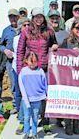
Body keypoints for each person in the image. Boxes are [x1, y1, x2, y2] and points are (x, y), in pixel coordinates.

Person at [17, 7, 58, 135]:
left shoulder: (49, 31)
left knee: (44, 97)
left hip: (43, 69)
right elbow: (20, 51)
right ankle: (23, 123)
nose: (38, 19)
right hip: (29, 69)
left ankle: (45, 124)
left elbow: (53, 44)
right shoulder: (25, 32)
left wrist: (55, 46)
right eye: (36, 17)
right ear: (32, 18)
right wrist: (20, 70)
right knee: (26, 97)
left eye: (40, 16)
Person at [19, 52, 48, 139]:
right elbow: (21, 86)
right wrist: (25, 99)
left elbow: (44, 84)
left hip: (37, 99)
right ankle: (27, 134)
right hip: (26, 99)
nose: (33, 63)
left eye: (35, 61)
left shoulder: (40, 71)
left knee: (35, 117)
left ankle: (35, 134)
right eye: (31, 61)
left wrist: (46, 95)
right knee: (27, 118)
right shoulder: (23, 71)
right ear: (26, 61)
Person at [0, 8, 20, 114]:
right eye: (10, 17)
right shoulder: (6, 31)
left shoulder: (24, 29)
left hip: (22, 61)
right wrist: (5, 50)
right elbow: (0, 45)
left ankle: (25, 106)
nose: (13, 19)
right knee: (13, 84)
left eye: (14, 16)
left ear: (18, 17)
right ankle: (16, 106)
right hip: (10, 62)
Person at [13, 17, 30, 135]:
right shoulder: (16, 39)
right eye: (24, 25)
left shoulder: (33, 37)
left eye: (29, 24)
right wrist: (20, 70)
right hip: (21, 70)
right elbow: (18, 54)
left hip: (32, 70)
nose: (27, 27)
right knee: (23, 96)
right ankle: (22, 120)